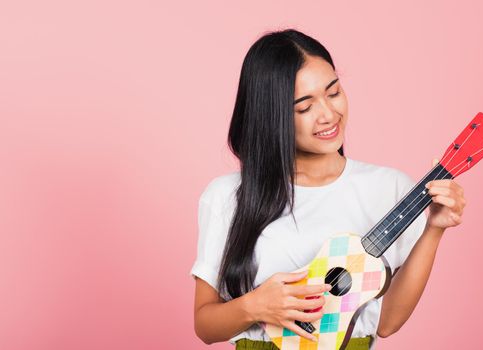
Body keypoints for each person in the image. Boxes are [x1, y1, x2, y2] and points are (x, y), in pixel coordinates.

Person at [190, 28, 466, 350]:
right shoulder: (227, 196)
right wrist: (255, 305)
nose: (328, 114)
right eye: (304, 107)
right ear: (272, 117)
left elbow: (388, 322)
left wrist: (435, 228)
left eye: (333, 92)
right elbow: (205, 326)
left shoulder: (391, 189)